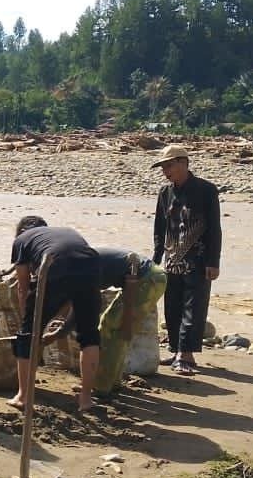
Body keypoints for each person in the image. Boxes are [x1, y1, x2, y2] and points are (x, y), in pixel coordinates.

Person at [8, 216, 101, 412]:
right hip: (91, 266)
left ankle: (23, 397)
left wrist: (28, 323)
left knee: (26, 337)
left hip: (55, 266)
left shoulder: (21, 241)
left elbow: (22, 287)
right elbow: (71, 288)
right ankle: (86, 399)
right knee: (89, 335)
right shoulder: (65, 231)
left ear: (20, 232)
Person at [151, 145, 222, 376]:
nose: (165, 171)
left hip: (198, 260)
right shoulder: (165, 192)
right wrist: (156, 258)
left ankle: (187, 353)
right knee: (172, 305)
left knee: (194, 306)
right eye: (163, 167)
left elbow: (214, 228)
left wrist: (213, 261)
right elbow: (160, 228)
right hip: (172, 258)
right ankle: (176, 350)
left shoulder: (206, 190)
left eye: (169, 166)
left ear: (184, 163)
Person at [90, 247, 167, 397]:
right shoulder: (80, 261)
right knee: (110, 326)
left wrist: (127, 321)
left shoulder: (81, 269)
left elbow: (90, 302)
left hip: (147, 280)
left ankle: (102, 386)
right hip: (148, 277)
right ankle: (113, 382)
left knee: (114, 329)